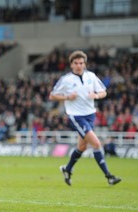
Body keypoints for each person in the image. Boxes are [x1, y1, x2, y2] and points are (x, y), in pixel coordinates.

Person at [49, 50, 121, 186]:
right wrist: (67, 97)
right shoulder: (66, 79)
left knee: (82, 147)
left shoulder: (91, 76)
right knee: (97, 144)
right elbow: (52, 95)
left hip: (90, 115)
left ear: (85, 64)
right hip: (76, 116)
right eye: (76, 63)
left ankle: (67, 168)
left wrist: (97, 96)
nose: (79, 65)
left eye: (81, 63)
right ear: (71, 65)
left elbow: (103, 91)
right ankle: (109, 176)